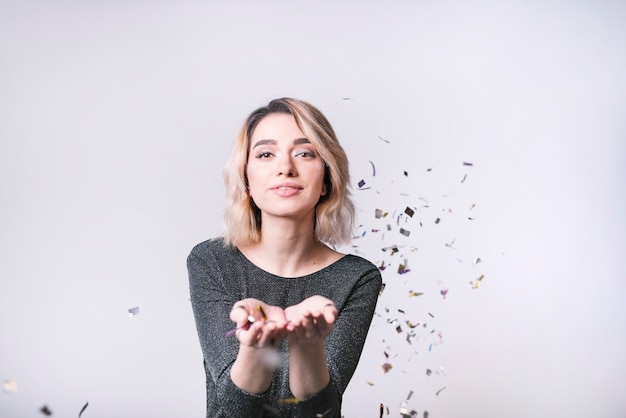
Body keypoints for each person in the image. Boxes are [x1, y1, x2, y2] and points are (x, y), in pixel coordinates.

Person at [187, 98, 382, 417]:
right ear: (246, 179)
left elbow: (322, 410)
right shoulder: (211, 261)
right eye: (265, 154)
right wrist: (257, 344)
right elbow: (235, 407)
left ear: (327, 180)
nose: (285, 168)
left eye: (305, 153)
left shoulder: (358, 278)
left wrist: (307, 342)